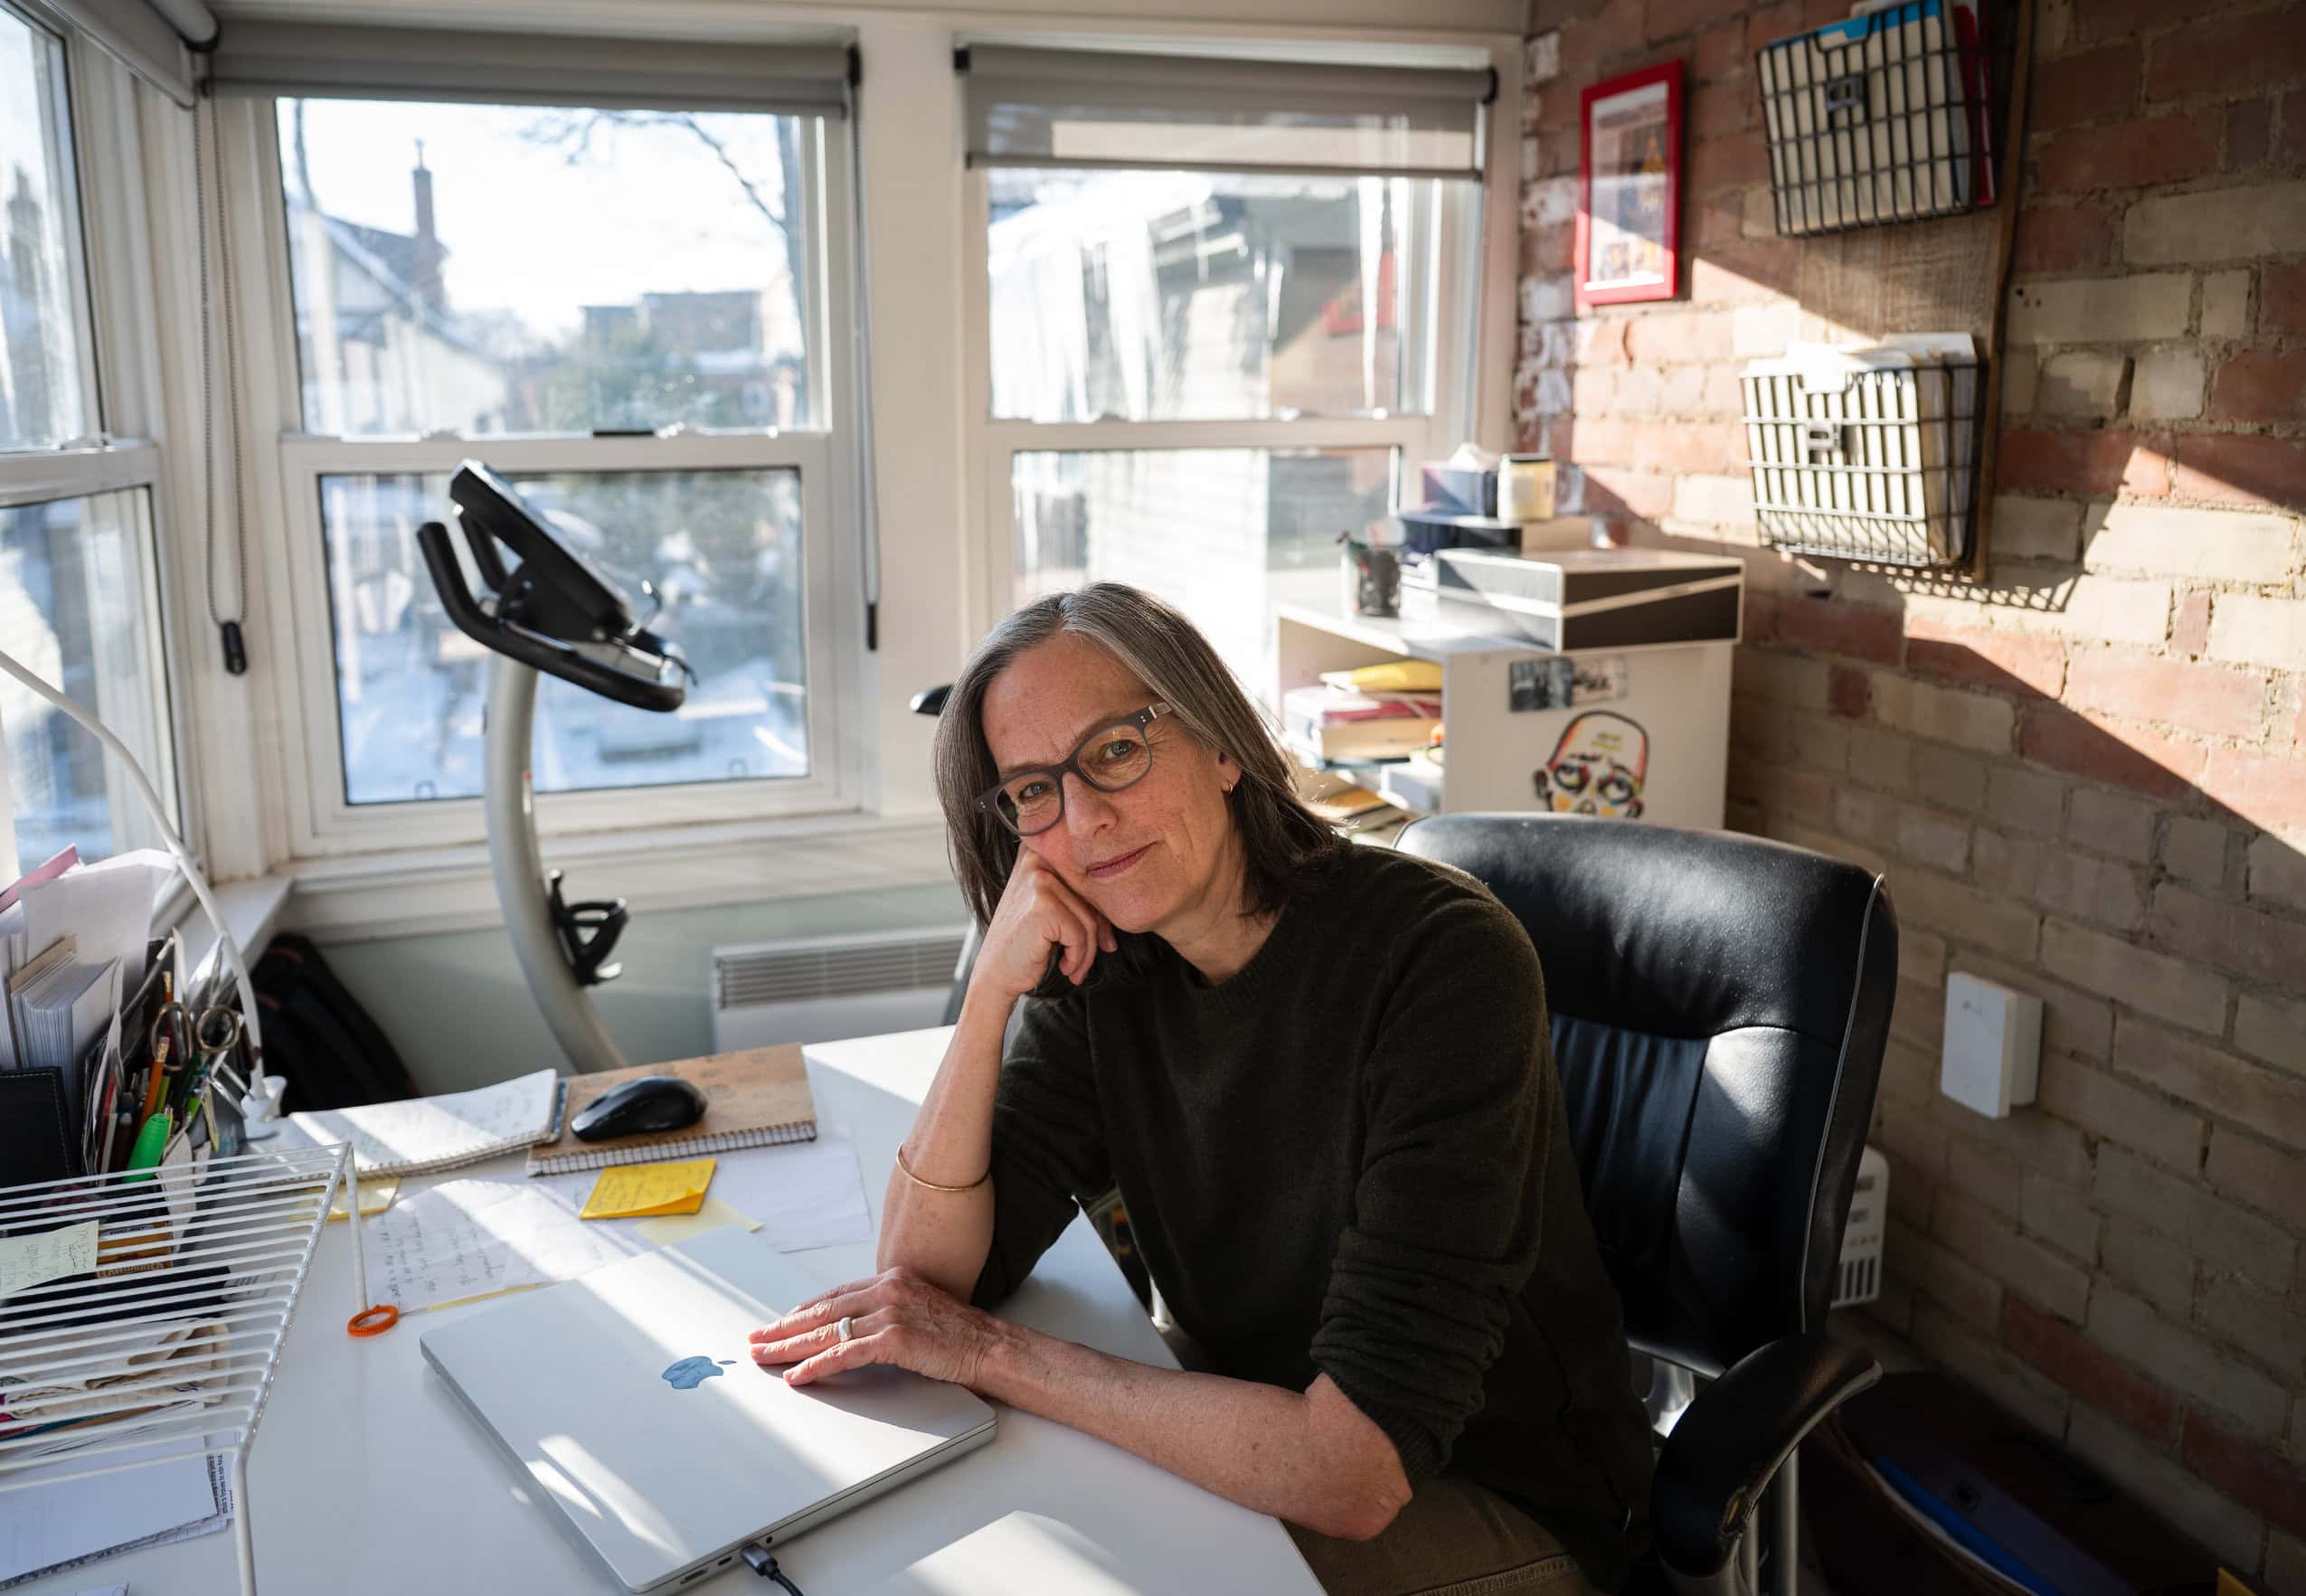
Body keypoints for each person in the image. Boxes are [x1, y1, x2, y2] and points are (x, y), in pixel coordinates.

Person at [747, 583, 1654, 1594]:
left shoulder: (1440, 960)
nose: (1084, 817)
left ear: (1222, 744)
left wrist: (992, 1354)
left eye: (1117, 751)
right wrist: (992, 996)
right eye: (1034, 789)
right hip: (1241, 1413)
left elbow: (1356, 1472)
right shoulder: (1113, 958)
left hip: (1491, 1489)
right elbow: (926, 1276)